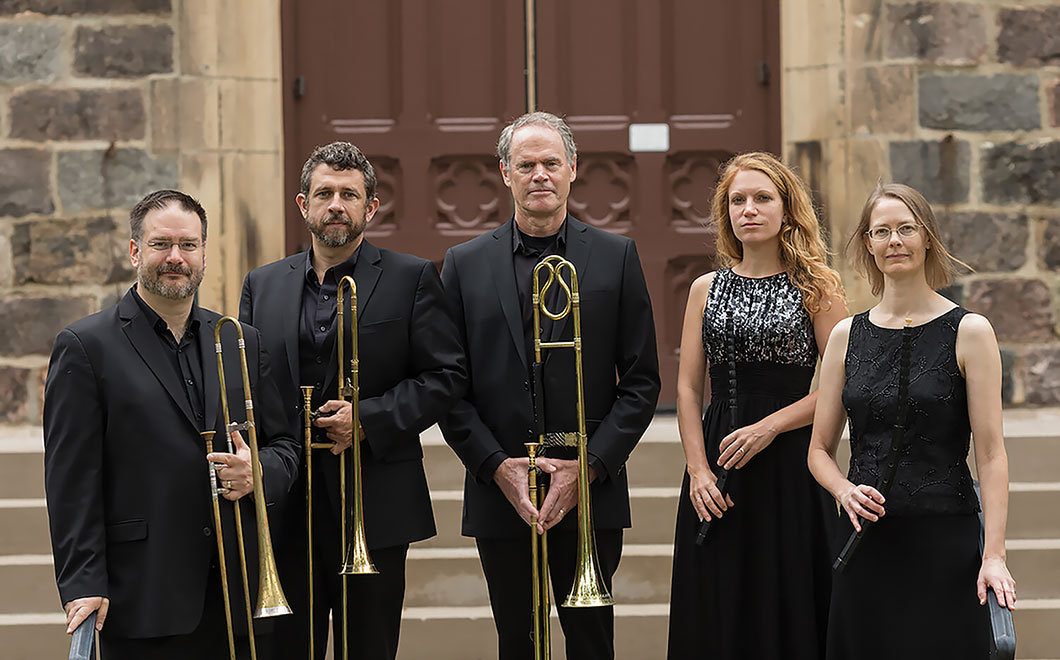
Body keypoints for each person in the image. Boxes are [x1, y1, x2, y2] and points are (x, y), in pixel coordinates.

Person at [438, 111, 660, 660]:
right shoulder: (463, 264)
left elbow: (641, 383)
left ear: (573, 169)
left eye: (551, 163)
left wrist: (591, 467)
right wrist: (495, 465)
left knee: (591, 642)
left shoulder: (617, 256)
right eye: (526, 165)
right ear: (505, 173)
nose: (540, 174)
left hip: (591, 489)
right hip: (502, 491)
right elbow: (447, 386)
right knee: (517, 642)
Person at [43, 190, 300, 660]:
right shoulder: (85, 346)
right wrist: (82, 581)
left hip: (237, 593)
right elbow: (71, 481)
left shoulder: (242, 340)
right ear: (135, 251)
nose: (175, 258)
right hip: (143, 593)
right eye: (161, 244)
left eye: (188, 245)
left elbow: (285, 443)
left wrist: (259, 471)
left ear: (204, 254)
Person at [240, 141, 467, 660]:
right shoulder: (261, 284)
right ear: (304, 205)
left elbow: (446, 375)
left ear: (372, 207)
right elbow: (246, 385)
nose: (336, 205)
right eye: (324, 194)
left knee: (369, 648)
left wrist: (368, 419)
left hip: (375, 501)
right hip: (286, 505)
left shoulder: (412, 277)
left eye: (349, 194)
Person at [807, 183, 1016, 659]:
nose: (894, 241)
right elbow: (818, 451)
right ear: (868, 244)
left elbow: (991, 455)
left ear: (927, 237)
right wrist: (843, 491)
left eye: (906, 228)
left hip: (945, 544)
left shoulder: (970, 331)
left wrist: (994, 555)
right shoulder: (845, 335)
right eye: (881, 231)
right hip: (865, 545)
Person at [667, 152, 847, 660]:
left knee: (788, 594)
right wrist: (697, 470)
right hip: (719, 463)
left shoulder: (818, 287)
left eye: (762, 198)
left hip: (793, 460)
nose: (748, 209)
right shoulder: (704, 288)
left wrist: (770, 426)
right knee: (720, 597)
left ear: (787, 211)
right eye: (737, 200)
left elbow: (843, 385)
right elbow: (687, 389)